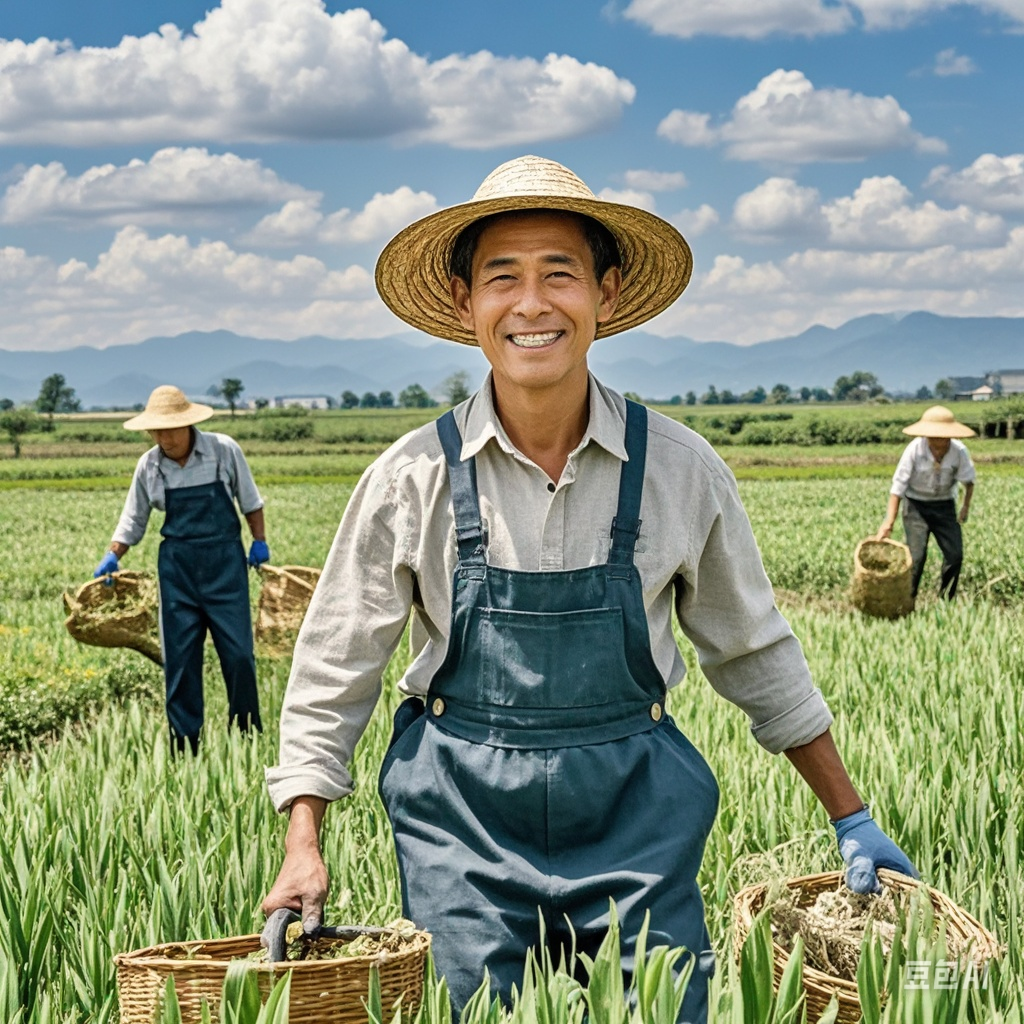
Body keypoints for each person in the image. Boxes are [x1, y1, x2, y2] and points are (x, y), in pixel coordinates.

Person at [262, 156, 916, 1021]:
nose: (532, 303)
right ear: (465, 305)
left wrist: (850, 815)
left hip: (635, 816)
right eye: (503, 277)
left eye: (559, 274)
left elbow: (752, 648)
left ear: (605, 295)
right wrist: (301, 837)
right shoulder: (408, 478)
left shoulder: (678, 469)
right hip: (461, 825)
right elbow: (334, 666)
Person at [94, 384, 269, 753]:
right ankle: (185, 745)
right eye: (156, 431)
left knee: (238, 656)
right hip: (178, 574)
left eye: (168, 429)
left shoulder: (223, 451)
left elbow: (250, 501)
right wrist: (114, 554)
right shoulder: (150, 466)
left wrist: (258, 540)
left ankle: (247, 736)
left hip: (226, 569)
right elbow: (134, 518)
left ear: (188, 425)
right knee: (180, 662)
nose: (162, 438)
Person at [875, 405, 976, 600]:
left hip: (944, 505)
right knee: (916, 557)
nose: (937, 441)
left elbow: (969, 482)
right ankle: (907, 600)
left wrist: (965, 507)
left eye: (942, 437)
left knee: (955, 555)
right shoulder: (914, 450)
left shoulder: (959, 452)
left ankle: (946, 600)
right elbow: (898, 488)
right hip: (916, 507)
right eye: (933, 436)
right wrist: (888, 522)